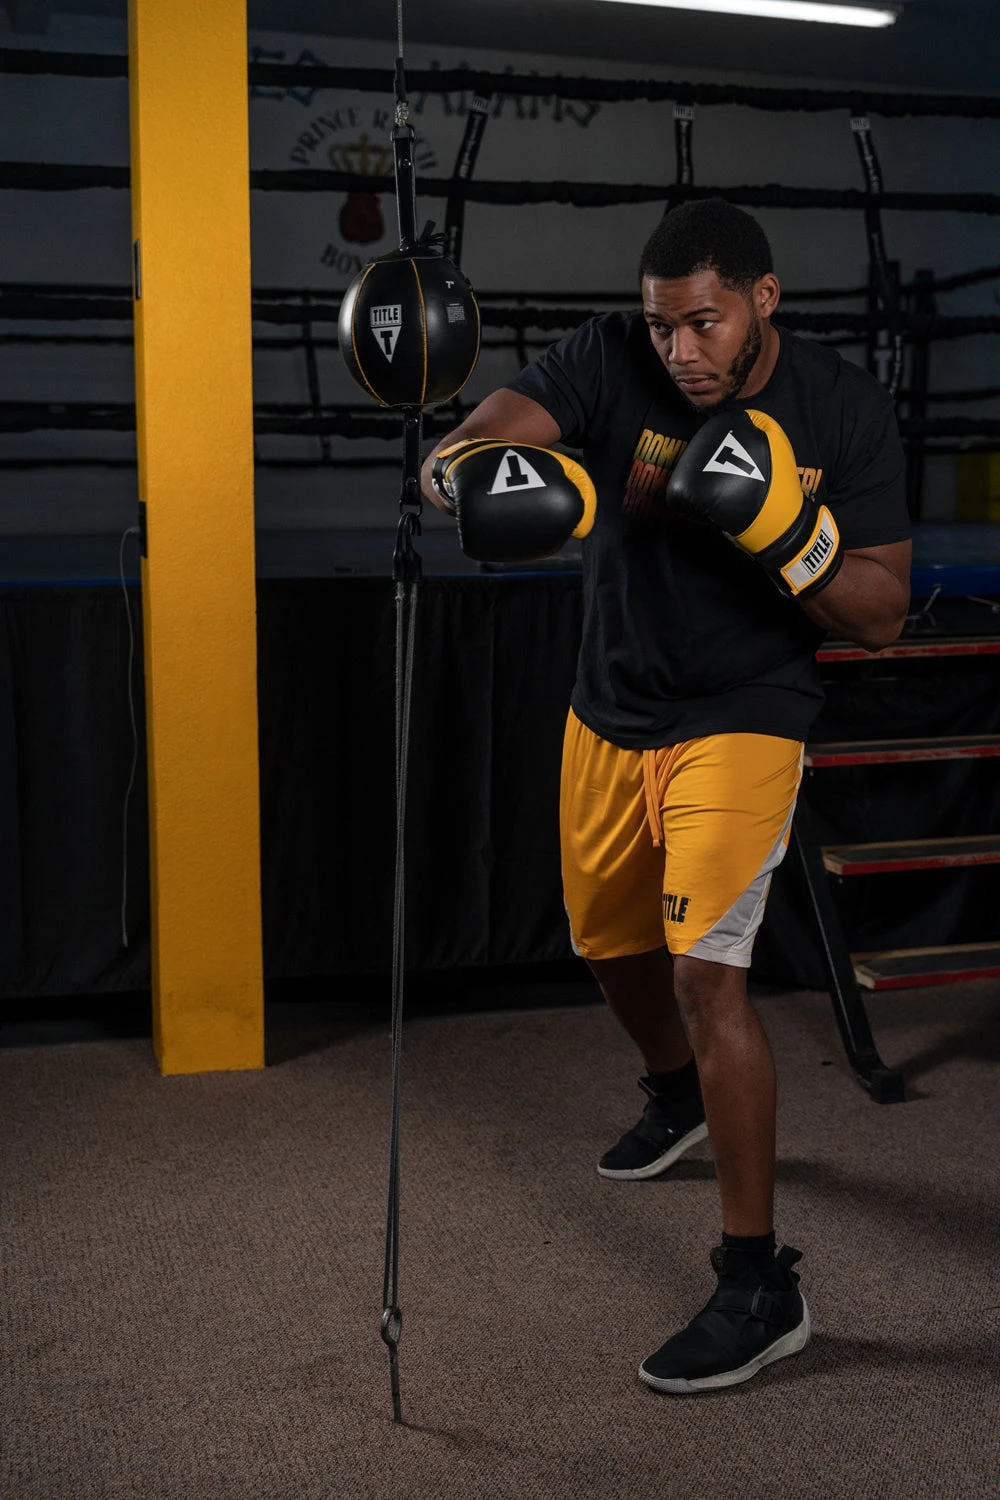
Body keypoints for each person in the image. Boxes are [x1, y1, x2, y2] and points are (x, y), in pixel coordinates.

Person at [420, 198, 911, 1394]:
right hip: (611, 705)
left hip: (745, 710)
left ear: (762, 300)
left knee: (705, 975)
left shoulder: (841, 407)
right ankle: (674, 1091)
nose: (680, 350)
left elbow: (883, 616)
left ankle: (757, 1281)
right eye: (662, 326)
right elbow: (477, 436)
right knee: (607, 944)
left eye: (704, 322)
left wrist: (789, 534)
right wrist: (466, 475)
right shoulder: (609, 355)